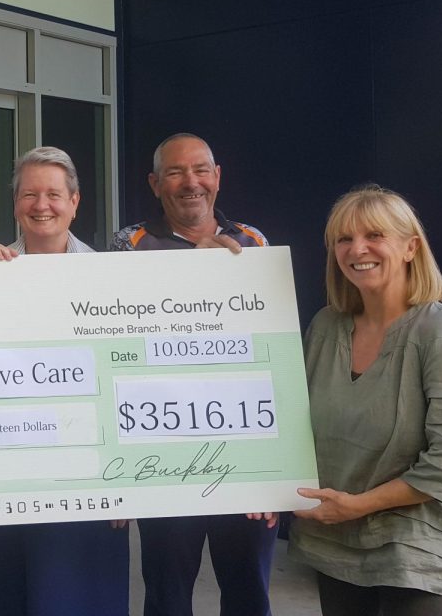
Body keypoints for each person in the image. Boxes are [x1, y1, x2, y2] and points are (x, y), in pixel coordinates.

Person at [289, 185, 442, 615]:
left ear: (410, 247)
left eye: (374, 235)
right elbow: (288, 424)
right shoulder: (325, 327)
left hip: (418, 547)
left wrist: (357, 506)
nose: (357, 248)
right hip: (335, 542)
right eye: (344, 239)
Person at [111, 132, 276, 616]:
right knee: (166, 595)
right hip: (164, 456)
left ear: (217, 177)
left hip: (243, 453)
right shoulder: (129, 245)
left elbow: (272, 353)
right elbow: (119, 350)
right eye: (176, 172)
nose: (191, 182)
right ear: (155, 183)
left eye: (201, 169)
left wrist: (276, 471)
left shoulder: (254, 242)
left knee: (248, 593)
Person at [0, 146, 130, 616]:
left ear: (75, 201)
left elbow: (121, 378)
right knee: (12, 597)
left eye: (54, 194)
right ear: (16, 203)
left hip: (88, 476)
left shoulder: (111, 279)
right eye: (29, 194)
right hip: (8, 473)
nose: (42, 205)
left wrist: (128, 484)